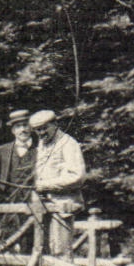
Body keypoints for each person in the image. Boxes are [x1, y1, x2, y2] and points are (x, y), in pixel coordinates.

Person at [0, 110, 44, 250]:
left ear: (31, 128)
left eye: (25, 125)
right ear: (13, 130)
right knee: (2, 248)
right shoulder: (2, 151)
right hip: (6, 210)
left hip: (32, 209)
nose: (23, 129)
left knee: (31, 248)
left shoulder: (41, 150)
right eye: (18, 126)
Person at [29, 109, 86, 257]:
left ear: (55, 124)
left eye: (44, 128)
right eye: (37, 130)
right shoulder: (43, 145)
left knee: (60, 252)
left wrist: (45, 185)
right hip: (42, 207)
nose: (41, 133)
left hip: (62, 206)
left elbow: (77, 176)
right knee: (42, 252)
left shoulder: (68, 143)